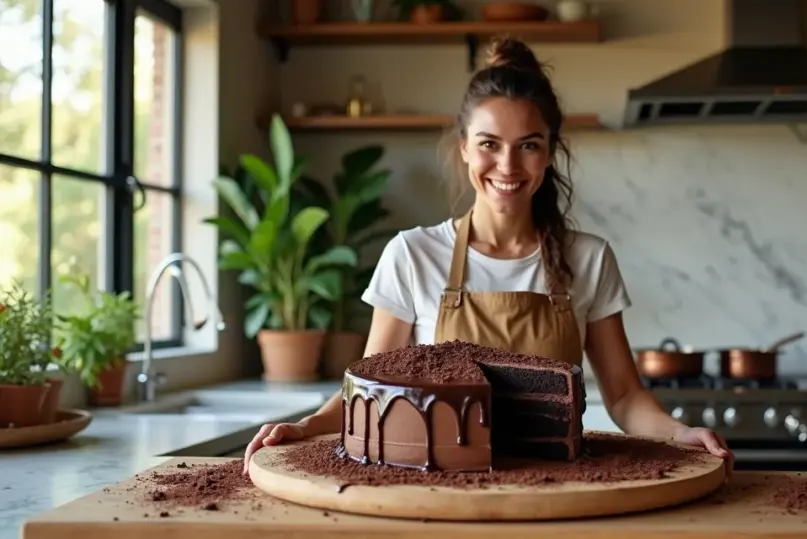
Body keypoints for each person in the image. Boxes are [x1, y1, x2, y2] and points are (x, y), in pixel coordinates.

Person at [242, 36, 734, 478]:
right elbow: (369, 392)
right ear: (463, 150)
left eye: (528, 146)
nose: (508, 166)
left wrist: (677, 432)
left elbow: (625, 398)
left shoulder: (589, 259)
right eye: (489, 145)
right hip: (440, 493)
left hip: (557, 493)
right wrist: (306, 426)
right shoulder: (413, 255)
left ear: (549, 153)